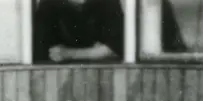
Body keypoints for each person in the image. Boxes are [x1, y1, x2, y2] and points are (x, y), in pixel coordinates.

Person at [33, 0, 185, 63]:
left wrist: (69, 53)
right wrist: (97, 52)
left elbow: (117, 47)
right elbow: (40, 51)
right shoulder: (49, 6)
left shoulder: (105, 3)